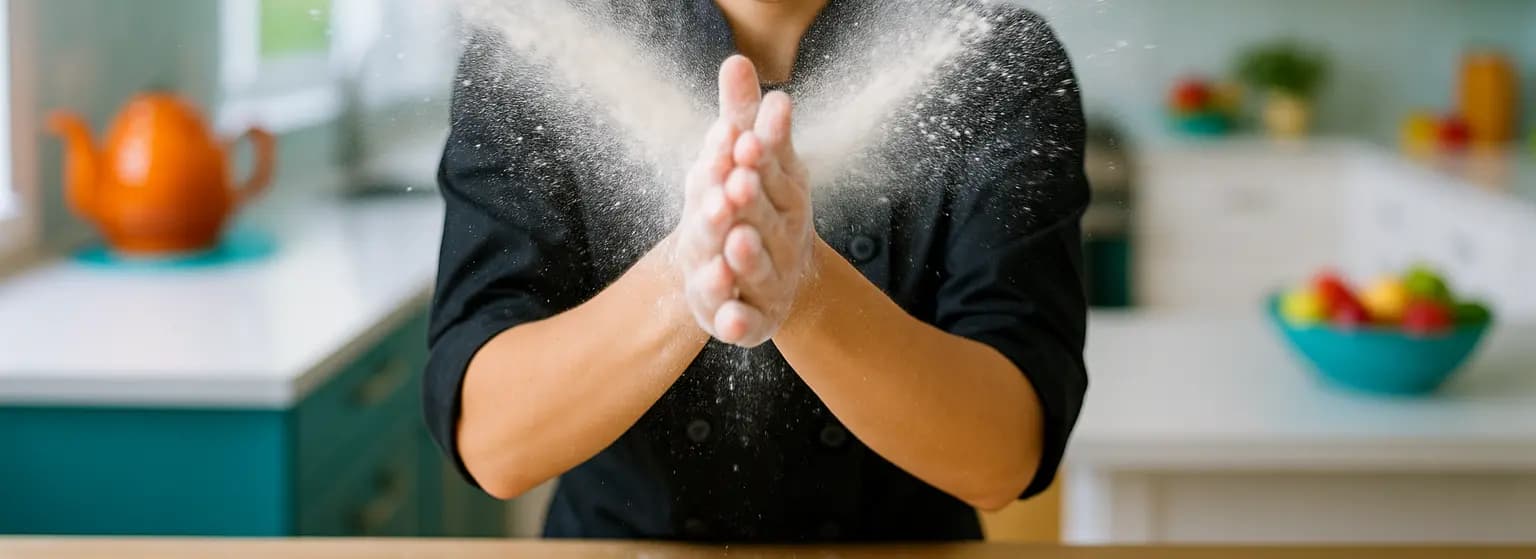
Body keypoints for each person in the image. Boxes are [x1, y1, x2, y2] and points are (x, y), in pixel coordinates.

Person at [424, 0, 1090, 542]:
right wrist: (687, 275)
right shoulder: (543, 41)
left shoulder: (991, 54)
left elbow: (1006, 452)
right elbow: (494, 441)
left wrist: (802, 288)